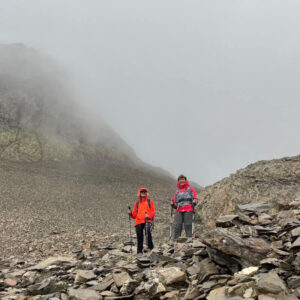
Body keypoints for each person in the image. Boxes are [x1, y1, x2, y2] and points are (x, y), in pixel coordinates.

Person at [128, 187, 155, 254]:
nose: (143, 193)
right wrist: (130, 213)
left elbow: (153, 212)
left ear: (146, 193)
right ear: (139, 193)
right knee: (139, 235)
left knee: (147, 232)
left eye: (144, 192)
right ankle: (139, 251)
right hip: (138, 221)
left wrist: (149, 216)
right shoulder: (136, 203)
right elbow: (134, 215)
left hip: (147, 220)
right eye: (142, 192)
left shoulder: (150, 201)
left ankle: (150, 248)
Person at [171, 174, 198, 240]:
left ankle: (189, 241)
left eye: (183, 179)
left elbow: (196, 198)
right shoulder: (177, 192)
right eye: (180, 179)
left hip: (188, 209)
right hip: (179, 210)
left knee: (188, 225)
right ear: (178, 181)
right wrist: (172, 205)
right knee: (177, 226)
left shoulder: (190, 189)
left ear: (185, 180)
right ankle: (176, 241)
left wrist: (194, 201)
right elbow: (175, 203)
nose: (181, 181)